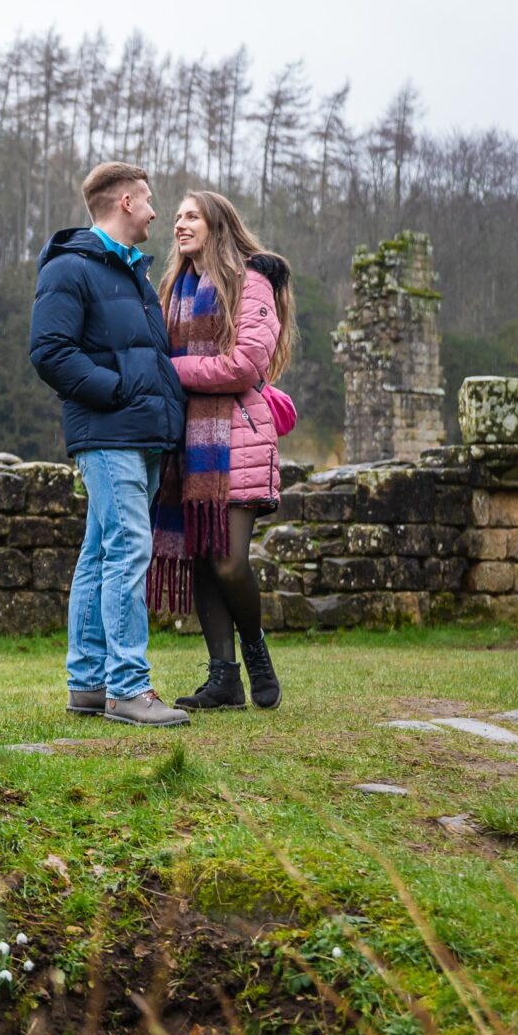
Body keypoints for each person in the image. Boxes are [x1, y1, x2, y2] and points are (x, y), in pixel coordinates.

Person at [29, 162, 190, 727]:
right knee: (127, 551)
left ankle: (89, 684)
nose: (154, 211)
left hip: (140, 434)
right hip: (110, 433)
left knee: (100, 554)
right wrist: (116, 392)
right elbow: (49, 351)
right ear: (124, 202)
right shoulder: (71, 268)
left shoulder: (134, 275)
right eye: (147, 200)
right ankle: (128, 688)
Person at [147, 190, 293, 712]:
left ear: (217, 225)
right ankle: (224, 679)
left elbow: (246, 366)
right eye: (178, 217)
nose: (180, 224)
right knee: (201, 560)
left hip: (240, 439)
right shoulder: (172, 289)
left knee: (229, 561)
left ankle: (256, 656)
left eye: (192, 217)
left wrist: (172, 372)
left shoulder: (250, 282)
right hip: (187, 444)